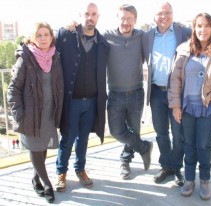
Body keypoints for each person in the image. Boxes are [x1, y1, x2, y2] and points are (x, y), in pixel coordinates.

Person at [168, 13, 211, 200]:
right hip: (187, 107)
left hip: (209, 107)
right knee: (189, 144)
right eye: (199, 26)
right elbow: (175, 79)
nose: (202, 30)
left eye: (206, 26)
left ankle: (205, 179)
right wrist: (175, 105)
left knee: (203, 144)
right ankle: (189, 179)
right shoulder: (184, 49)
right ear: (194, 28)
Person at [55, 2, 109, 192]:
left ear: (98, 17)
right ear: (80, 15)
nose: (90, 17)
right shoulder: (64, 35)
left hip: (92, 101)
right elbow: (41, 43)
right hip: (72, 101)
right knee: (67, 138)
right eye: (86, 13)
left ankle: (80, 169)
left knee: (84, 138)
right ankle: (61, 172)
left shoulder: (102, 43)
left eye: (93, 14)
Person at [7, 22, 64, 203]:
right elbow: (13, 90)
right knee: (35, 147)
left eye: (46, 34)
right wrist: (19, 115)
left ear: (51, 37)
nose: (43, 38)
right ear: (33, 38)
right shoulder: (25, 58)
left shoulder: (55, 57)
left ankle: (35, 178)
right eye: (39, 35)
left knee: (43, 146)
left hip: (49, 113)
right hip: (30, 115)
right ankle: (47, 184)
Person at [142, 1, 191, 186]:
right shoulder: (146, 36)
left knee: (179, 134)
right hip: (155, 92)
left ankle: (176, 166)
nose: (164, 16)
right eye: (160, 13)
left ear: (173, 13)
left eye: (168, 12)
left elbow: (208, 38)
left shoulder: (184, 33)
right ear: (154, 16)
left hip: (177, 93)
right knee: (161, 133)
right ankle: (166, 166)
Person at [105, 4, 153, 179]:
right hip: (115, 94)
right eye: (122, 18)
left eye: (129, 19)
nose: (125, 22)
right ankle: (144, 148)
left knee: (134, 131)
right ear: (117, 19)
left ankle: (125, 161)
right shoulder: (106, 36)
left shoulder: (141, 36)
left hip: (136, 93)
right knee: (116, 131)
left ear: (135, 20)